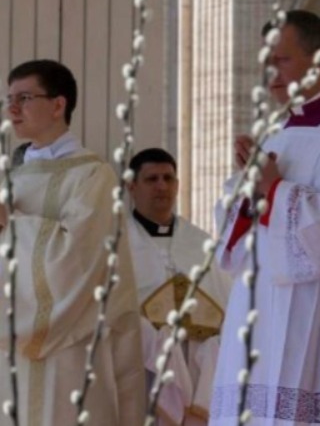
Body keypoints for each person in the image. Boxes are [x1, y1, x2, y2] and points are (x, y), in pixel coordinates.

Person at [210, 10, 320, 425]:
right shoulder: (272, 132)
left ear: (317, 60)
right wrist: (246, 193)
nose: (271, 73)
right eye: (266, 62)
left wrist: (273, 189)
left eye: (281, 60)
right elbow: (233, 235)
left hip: (314, 307)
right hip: (253, 306)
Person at [0, 59, 145, 425]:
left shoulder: (93, 175)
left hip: (68, 351)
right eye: (9, 99)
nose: (12, 109)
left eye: (24, 98)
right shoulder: (11, 178)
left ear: (58, 104)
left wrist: (10, 226)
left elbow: (76, 262)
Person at [127, 147, 232, 425]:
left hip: (197, 370)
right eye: (151, 179)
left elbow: (228, 308)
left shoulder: (201, 242)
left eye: (168, 178)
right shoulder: (117, 245)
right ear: (131, 186)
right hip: (142, 370)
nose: (162, 186)